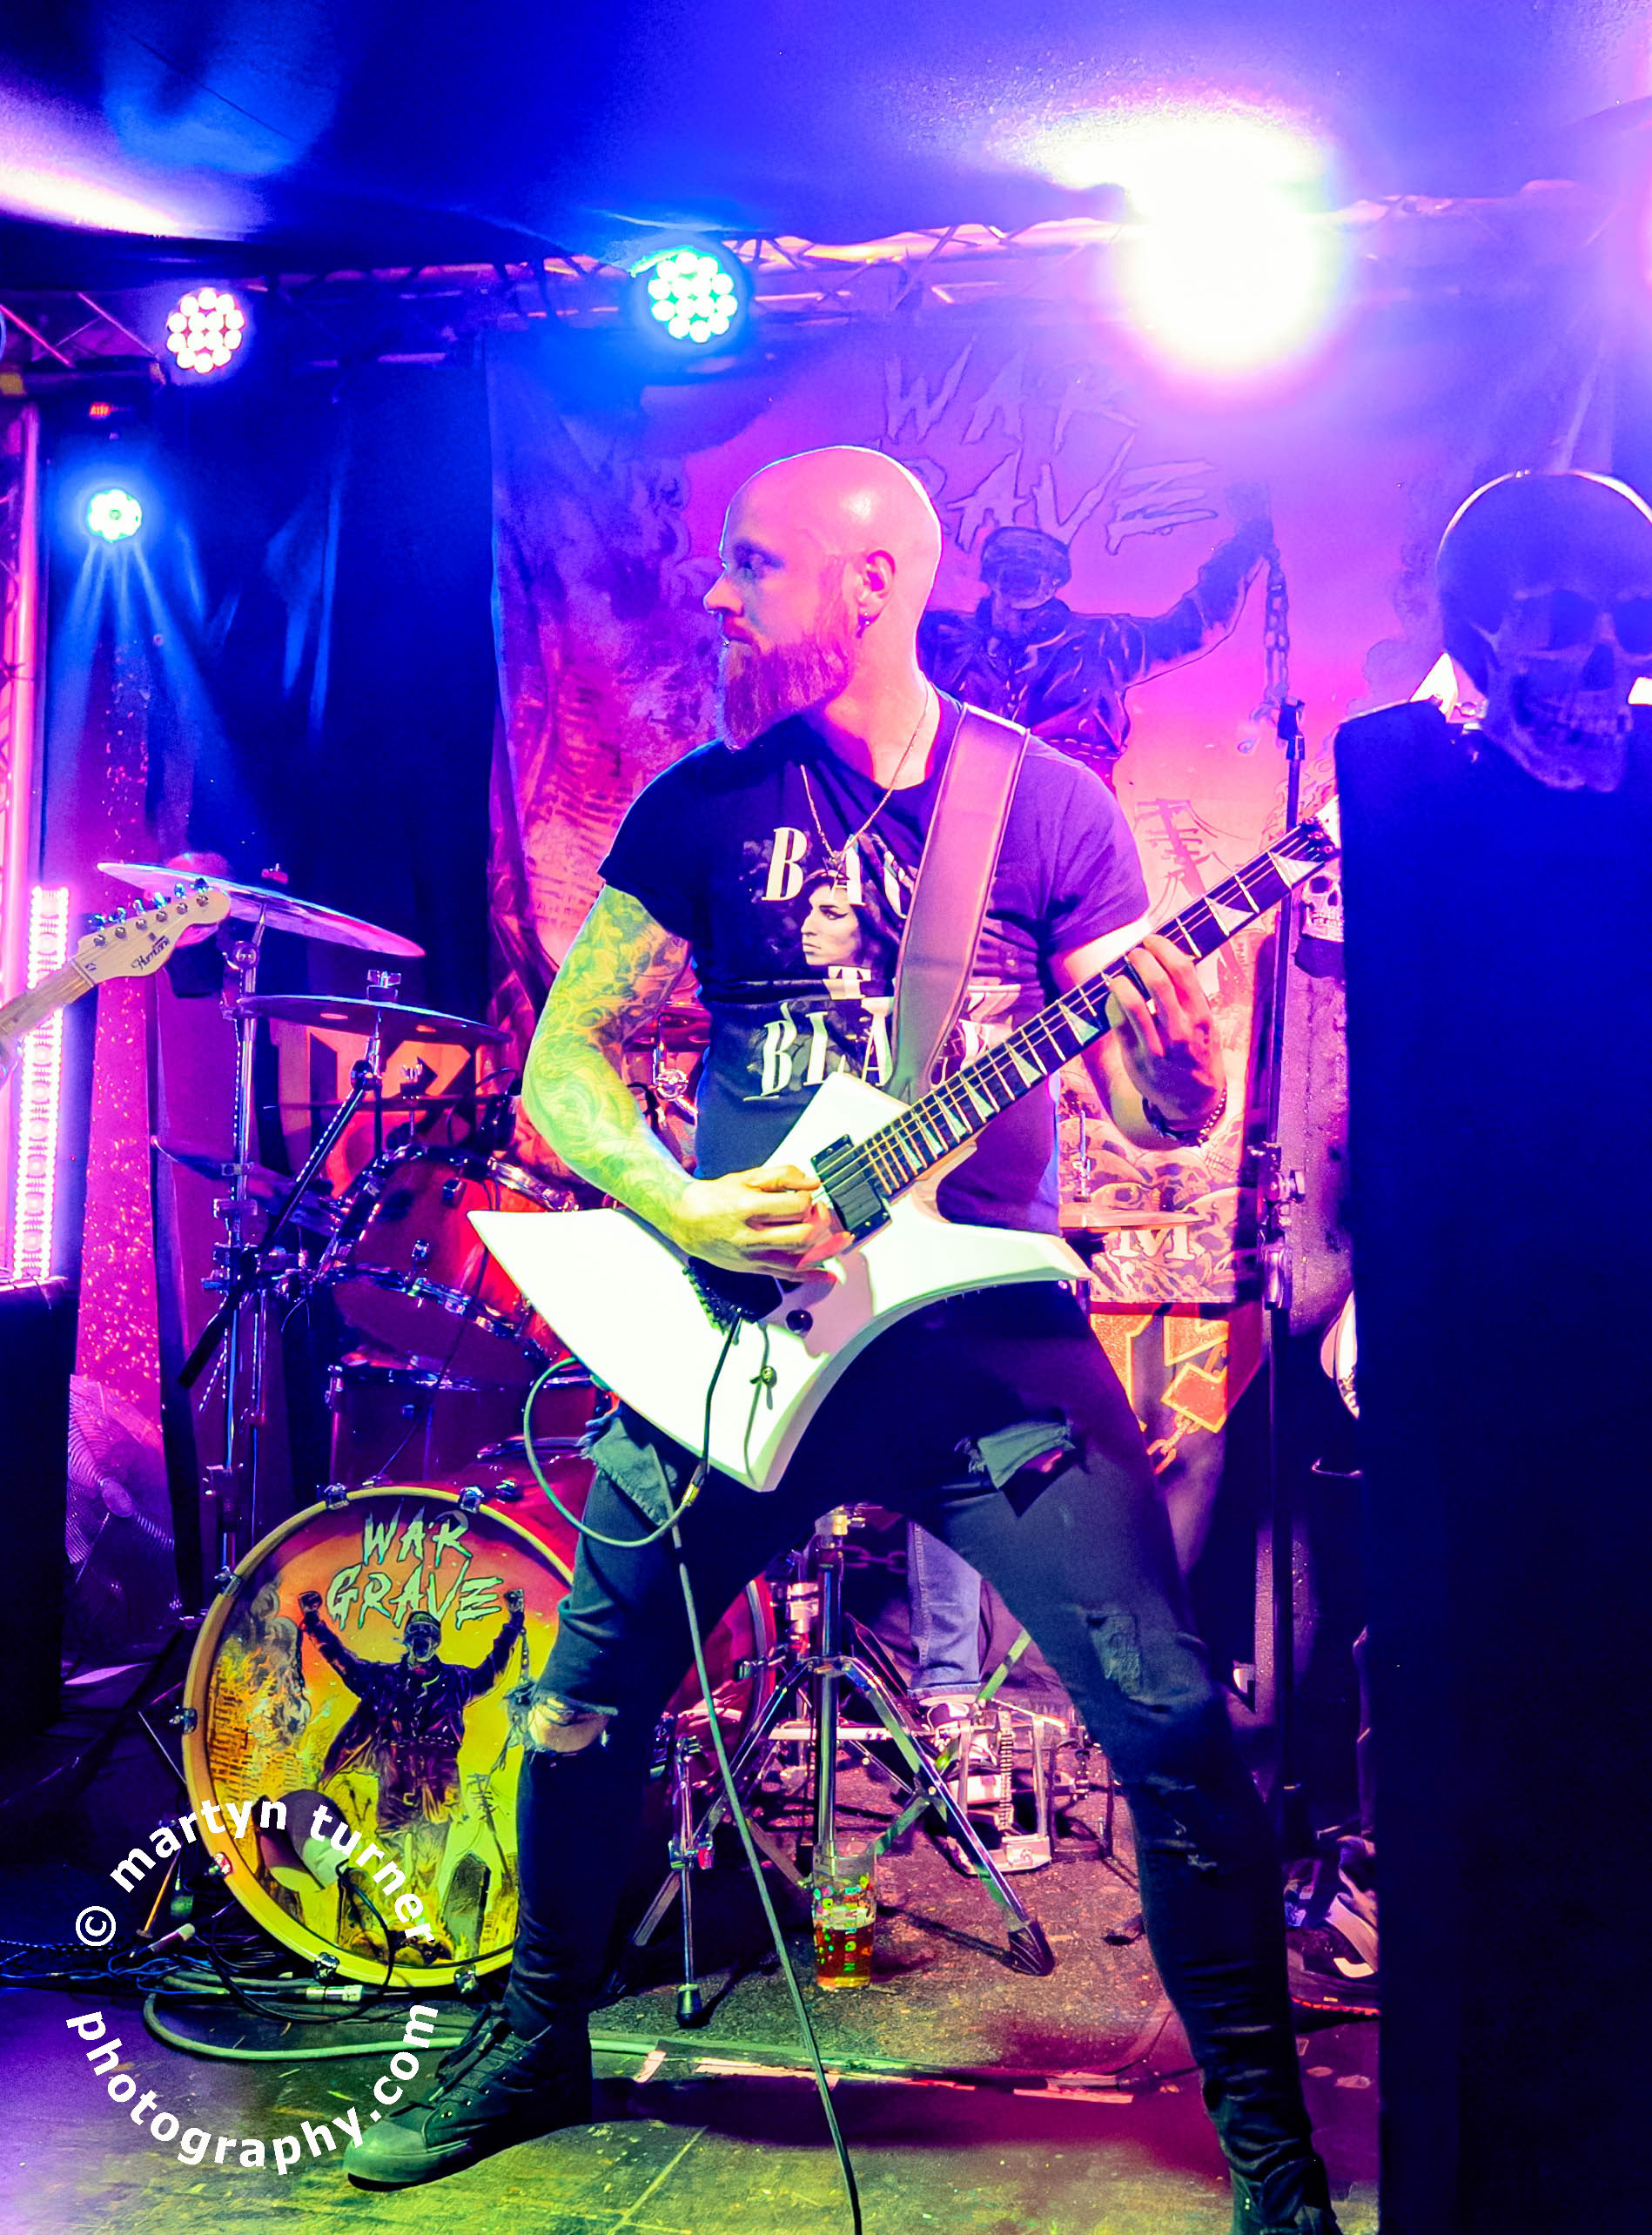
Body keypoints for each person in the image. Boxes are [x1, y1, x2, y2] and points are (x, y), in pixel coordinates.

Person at [344, 445, 1340, 2234]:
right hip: (743, 1338)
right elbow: (567, 1069)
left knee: (1171, 1721)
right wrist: (680, 1206)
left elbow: (1161, 1113)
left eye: (751, 564)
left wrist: (1179, 1050)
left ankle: (1267, 2149)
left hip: (985, 1349)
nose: (714, 594)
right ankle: (535, 2042)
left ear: (869, 582)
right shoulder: (700, 806)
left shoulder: (1045, 809)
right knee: (578, 1711)